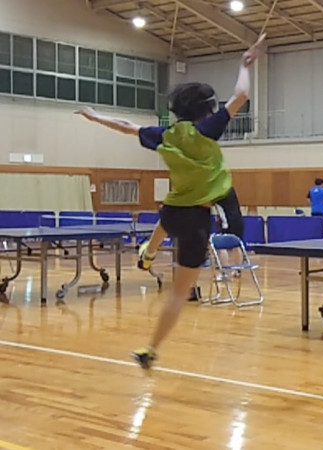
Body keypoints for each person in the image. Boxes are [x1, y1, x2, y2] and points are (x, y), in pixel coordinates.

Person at [76, 33, 266, 372]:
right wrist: (244, 64)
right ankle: (150, 349)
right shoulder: (208, 131)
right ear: (206, 109)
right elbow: (241, 95)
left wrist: (94, 116)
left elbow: (126, 126)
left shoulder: (164, 135)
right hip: (197, 219)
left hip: (173, 211)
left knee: (166, 220)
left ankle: (149, 252)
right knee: (179, 293)